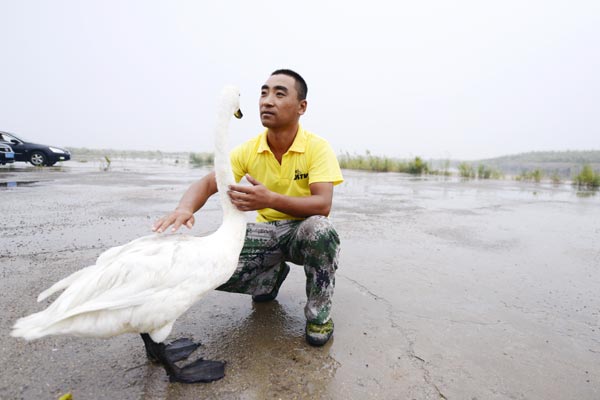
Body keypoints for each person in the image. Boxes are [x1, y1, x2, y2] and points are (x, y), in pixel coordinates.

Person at [152, 69, 343, 346]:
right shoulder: (250, 150)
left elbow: (322, 204)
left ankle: (319, 316)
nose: (267, 101)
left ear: (301, 107)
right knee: (211, 262)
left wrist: (270, 199)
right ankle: (270, 277)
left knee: (321, 231)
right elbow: (208, 183)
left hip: (302, 231)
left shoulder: (317, 147)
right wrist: (185, 208)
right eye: (263, 93)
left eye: (279, 93)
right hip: (266, 233)